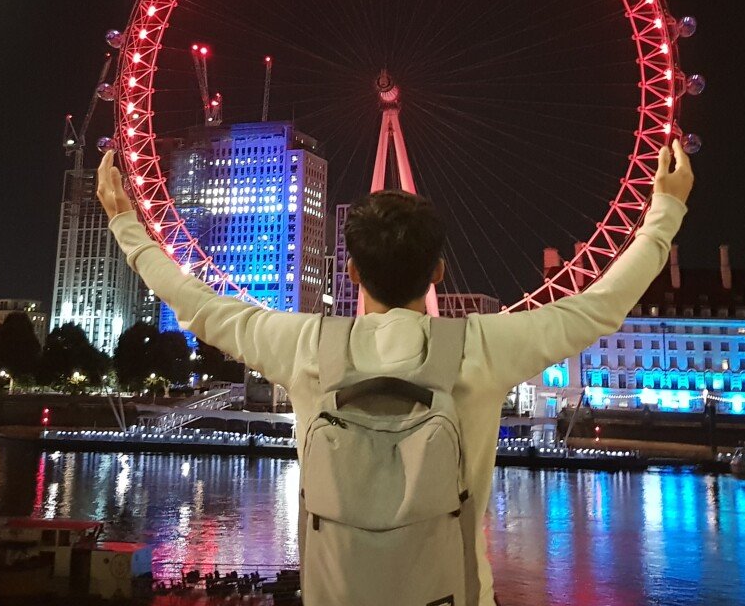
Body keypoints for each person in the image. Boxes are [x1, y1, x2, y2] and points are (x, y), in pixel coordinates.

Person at [97, 140, 692, 605]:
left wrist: (127, 223)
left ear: (349, 271)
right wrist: (664, 209)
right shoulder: (482, 346)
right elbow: (599, 306)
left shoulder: (303, 344)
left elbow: (198, 303)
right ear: (439, 271)